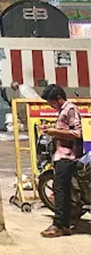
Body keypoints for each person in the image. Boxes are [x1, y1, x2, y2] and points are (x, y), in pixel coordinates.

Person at [39, 84, 82, 237]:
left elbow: (77, 133)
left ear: (58, 98)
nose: (50, 106)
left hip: (67, 156)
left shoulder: (70, 109)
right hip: (60, 155)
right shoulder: (62, 111)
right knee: (63, 190)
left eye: (51, 102)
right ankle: (65, 222)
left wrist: (54, 132)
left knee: (60, 190)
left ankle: (59, 225)